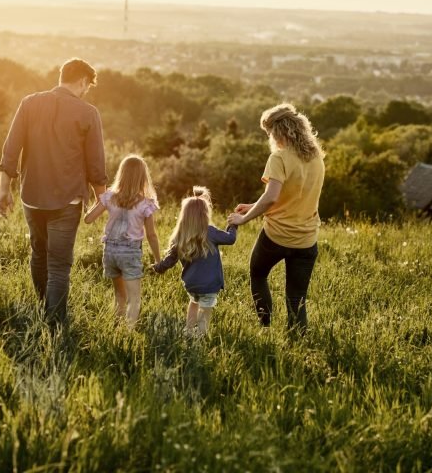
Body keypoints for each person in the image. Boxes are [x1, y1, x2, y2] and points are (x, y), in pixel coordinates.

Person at [0, 58, 107, 326]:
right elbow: (96, 163)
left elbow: (11, 149)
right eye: (87, 87)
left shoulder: (29, 103)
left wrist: (4, 190)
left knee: (39, 254)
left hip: (31, 196)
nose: (85, 92)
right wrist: (102, 197)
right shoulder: (88, 112)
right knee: (58, 265)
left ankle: (42, 308)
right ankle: (55, 325)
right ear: (82, 81)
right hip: (66, 200)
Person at [227, 103, 325, 334]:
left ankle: (265, 328)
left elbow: (271, 198)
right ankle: (299, 342)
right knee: (296, 296)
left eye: (269, 133)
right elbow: (293, 196)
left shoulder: (279, 158)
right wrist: (253, 206)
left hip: (276, 236)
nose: (270, 138)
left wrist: (244, 219)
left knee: (257, 274)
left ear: (278, 131)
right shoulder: (316, 158)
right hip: (306, 239)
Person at [84, 155, 161, 328]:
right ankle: (127, 334)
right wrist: (158, 260)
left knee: (120, 296)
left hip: (110, 252)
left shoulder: (109, 197)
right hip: (130, 253)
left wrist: (96, 202)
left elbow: (88, 219)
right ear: (143, 177)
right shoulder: (146, 204)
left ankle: (116, 327)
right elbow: (152, 235)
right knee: (134, 299)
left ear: (121, 174)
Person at [154, 186, 237, 336]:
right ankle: (200, 335)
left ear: (184, 216)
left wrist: (159, 267)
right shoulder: (210, 232)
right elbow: (230, 238)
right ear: (205, 214)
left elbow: (169, 260)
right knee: (205, 311)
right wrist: (233, 224)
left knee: (194, 303)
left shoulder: (180, 235)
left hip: (191, 283)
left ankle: (188, 330)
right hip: (210, 284)